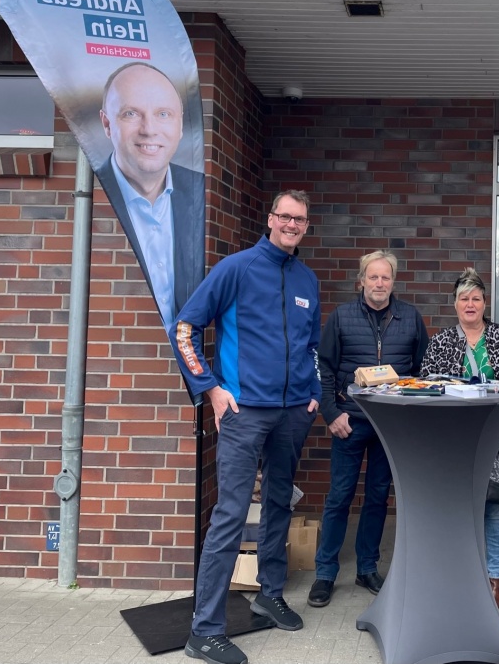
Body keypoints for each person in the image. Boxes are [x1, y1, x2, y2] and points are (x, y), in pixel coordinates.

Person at [168, 190, 320, 664]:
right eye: (286, 216)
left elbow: (312, 343)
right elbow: (185, 328)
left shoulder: (307, 279)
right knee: (231, 515)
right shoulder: (236, 268)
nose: (292, 225)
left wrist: (313, 389)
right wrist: (211, 389)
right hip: (244, 411)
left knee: (279, 502)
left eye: (300, 220)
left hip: (293, 411)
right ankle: (205, 630)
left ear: (305, 226)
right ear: (271, 218)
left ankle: (268, 594)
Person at [307, 251, 429, 608]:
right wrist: (331, 414)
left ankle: (367, 567)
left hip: (390, 425)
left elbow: (422, 370)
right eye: (373, 277)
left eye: (385, 278)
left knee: (378, 496)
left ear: (394, 281)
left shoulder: (410, 317)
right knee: (340, 496)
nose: (379, 284)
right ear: (361, 280)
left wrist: (407, 414)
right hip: (349, 421)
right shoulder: (342, 317)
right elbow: (324, 369)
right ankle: (325, 573)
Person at [419, 267, 499, 609]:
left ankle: (495, 580)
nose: (470, 304)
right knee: (458, 508)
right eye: (464, 298)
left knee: (497, 509)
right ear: (455, 304)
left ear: (484, 302)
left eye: (476, 298)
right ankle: (458, 574)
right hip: (455, 440)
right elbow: (426, 392)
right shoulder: (440, 342)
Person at [98, 61, 205, 325]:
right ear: (107, 123)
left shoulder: (203, 192)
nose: (149, 129)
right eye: (131, 114)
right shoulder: (90, 193)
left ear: (180, 126)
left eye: (163, 114)